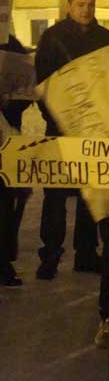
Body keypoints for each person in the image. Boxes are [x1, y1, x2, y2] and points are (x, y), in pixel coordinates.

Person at [35, 0, 109, 280]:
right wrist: (55, 114)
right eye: (81, 4)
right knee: (54, 194)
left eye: (91, 4)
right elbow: (43, 81)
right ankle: (50, 255)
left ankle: (85, 252)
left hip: (94, 130)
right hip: (59, 129)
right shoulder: (52, 38)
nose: (86, 10)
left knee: (89, 194)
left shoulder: (105, 38)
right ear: (69, 6)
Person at [0, 34, 32, 286]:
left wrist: (11, 101)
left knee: (7, 203)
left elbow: (26, 89)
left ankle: (3, 262)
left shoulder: (11, 44)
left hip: (7, 137)